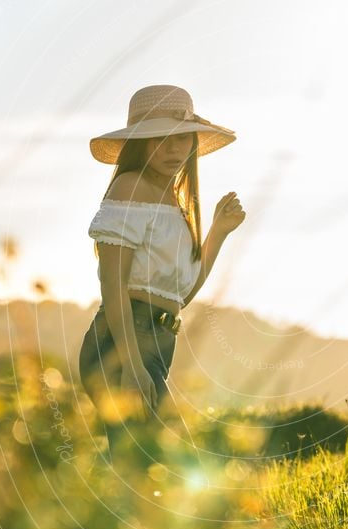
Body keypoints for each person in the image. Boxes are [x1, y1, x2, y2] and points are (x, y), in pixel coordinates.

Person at [77, 85, 245, 466]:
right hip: (122, 344)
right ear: (140, 143)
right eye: (160, 139)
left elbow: (179, 295)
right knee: (170, 466)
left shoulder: (175, 202)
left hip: (156, 342)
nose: (173, 150)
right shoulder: (130, 187)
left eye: (182, 139)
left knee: (141, 470)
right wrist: (131, 364)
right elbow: (112, 286)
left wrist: (217, 232)